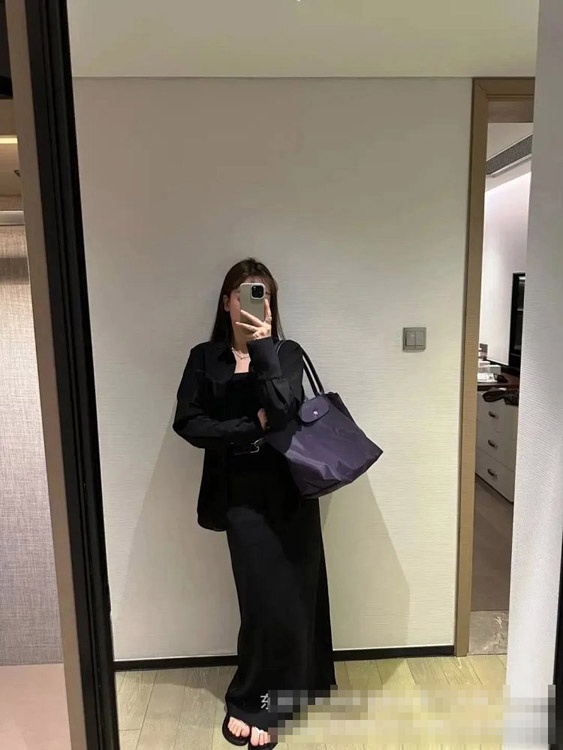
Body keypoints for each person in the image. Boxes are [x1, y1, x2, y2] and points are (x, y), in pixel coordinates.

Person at [173, 258, 337, 748]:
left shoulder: (285, 352)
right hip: (239, 492)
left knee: (295, 597)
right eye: (244, 294)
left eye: (262, 295)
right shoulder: (205, 357)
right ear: (226, 301)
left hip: (290, 490)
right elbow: (189, 422)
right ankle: (251, 698)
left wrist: (263, 348)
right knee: (260, 601)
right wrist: (249, 427)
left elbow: (285, 413)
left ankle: (280, 700)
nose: (252, 304)